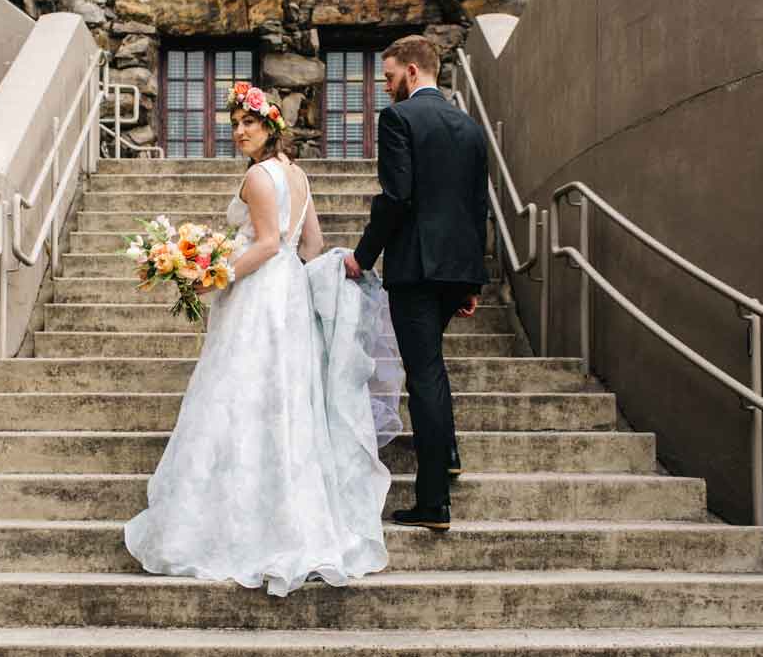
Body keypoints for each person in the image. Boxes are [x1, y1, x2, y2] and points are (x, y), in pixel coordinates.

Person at [124, 83, 391, 597]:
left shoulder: (257, 177)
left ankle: (234, 523)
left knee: (240, 395)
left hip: (260, 298)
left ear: (271, 125)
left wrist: (211, 276)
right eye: (235, 124)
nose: (240, 131)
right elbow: (308, 245)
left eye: (249, 122)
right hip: (288, 296)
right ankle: (285, 512)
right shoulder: (299, 175)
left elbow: (268, 244)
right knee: (284, 401)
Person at [345, 35, 490, 531]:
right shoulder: (470, 128)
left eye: (388, 77)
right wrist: (472, 282)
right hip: (456, 270)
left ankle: (433, 503)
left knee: (424, 373)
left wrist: (363, 257)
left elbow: (396, 196)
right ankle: (446, 455)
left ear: (411, 71)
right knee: (432, 365)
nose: (385, 88)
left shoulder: (399, 119)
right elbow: (477, 208)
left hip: (417, 270)